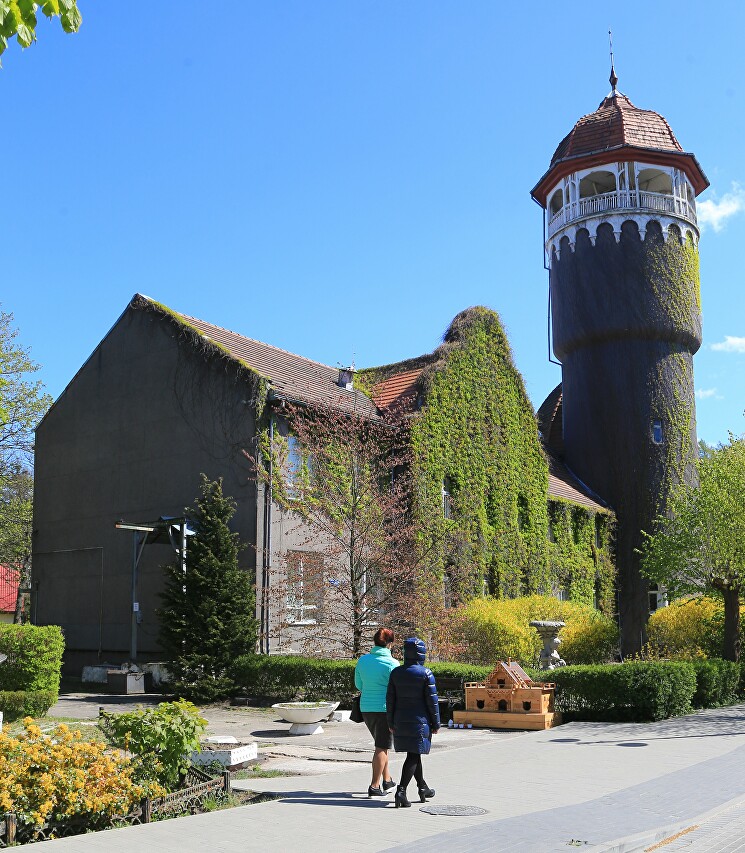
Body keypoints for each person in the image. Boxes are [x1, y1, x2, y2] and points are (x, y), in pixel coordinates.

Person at [386, 636, 440, 808]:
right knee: (413, 755)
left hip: (400, 720)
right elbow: (433, 702)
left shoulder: (396, 673)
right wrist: (436, 723)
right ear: (421, 653)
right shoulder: (426, 674)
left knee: (414, 753)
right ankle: (401, 791)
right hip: (419, 721)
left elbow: (390, 700)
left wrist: (390, 721)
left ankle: (422, 787)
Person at [354, 627, 399, 797]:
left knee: (382, 745)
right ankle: (374, 786)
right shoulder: (392, 664)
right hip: (384, 709)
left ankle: (387, 780)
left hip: (365, 708)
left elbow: (359, 685)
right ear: (390, 643)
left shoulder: (363, 661)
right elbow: (396, 689)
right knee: (381, 746)